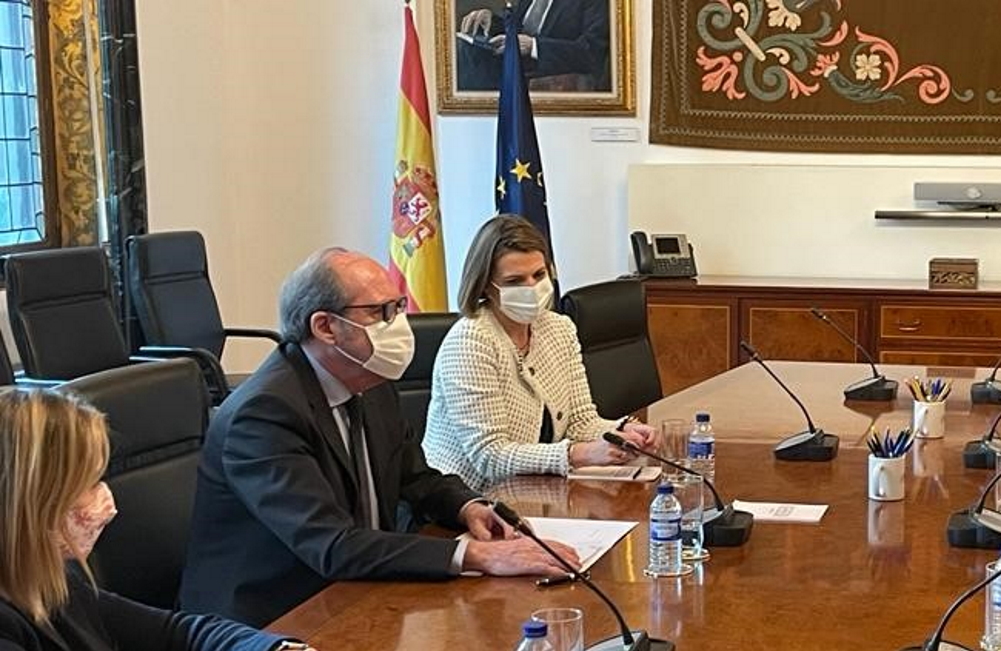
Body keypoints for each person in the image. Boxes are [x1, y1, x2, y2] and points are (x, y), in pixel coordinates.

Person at [180, 248, 578, 628]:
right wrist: (478, 555)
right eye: (379, 312)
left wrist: (469, 507)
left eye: (398, 306)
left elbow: (416, 477)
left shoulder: (369, 381)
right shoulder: (264, 414)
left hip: (357, 594)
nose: (398, 324)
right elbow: (333, 545)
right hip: (271, 620)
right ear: (325, 327)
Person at [0, 389, 363, 651]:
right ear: (28, 501)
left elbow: (177, 634)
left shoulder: (46, 580)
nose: (106, 500)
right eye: (88, 483)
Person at [424, 215, 657, 489]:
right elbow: (490, 456)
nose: (531, 288)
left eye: (539, 275)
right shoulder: (471, 342)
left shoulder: (558, 328)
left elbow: (580, 420)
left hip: (534, 491)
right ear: (486, 284)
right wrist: (578, 454)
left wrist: (619, 432)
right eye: (514, 281)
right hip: (465, 499)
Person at [455, 0, 612, 92]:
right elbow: (517, 28)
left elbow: (592, 52)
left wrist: (534, 46)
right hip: (514, 70)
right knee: (466, 50)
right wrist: (490, 20)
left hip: (546, 75)